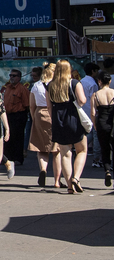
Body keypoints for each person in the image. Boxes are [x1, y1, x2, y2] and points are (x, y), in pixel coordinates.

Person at [49, 59, 88, 193]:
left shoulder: (50, 85)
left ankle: (70, 187)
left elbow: (49, 108)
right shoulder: (74, 83)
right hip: (73, 119)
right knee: (82, 150)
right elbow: (82, 100)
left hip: (58, 121)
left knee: (65, 154)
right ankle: (76, 178)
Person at [2, 69, 30, 167]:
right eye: (10, 75)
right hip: (8, 115)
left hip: (18, 115)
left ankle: (18, 158)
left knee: (18, 138)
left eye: (14, 76)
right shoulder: (8, 88)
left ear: (19, 77)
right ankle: (7, 158)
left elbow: (27, 104)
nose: (12, 77)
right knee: (7, 136)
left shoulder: (22, 89)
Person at [91, 71, 113, 188]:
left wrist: (95, 125)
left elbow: (93, 113)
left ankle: (107, 171)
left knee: (105, 149)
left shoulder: (96, 95)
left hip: (101, 123)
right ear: (109, 81)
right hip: (112, 124)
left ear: (99, 81)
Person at [81, 63, 100, 169]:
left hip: (83, 110)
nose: (97, 73)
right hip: (91, 110)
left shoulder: (82, 81)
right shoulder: (93, 84)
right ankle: (96, 158)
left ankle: (78, 146)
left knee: (87, 132)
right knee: (94, 133)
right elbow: (95, 99)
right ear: (93, 71)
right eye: (96, 71)